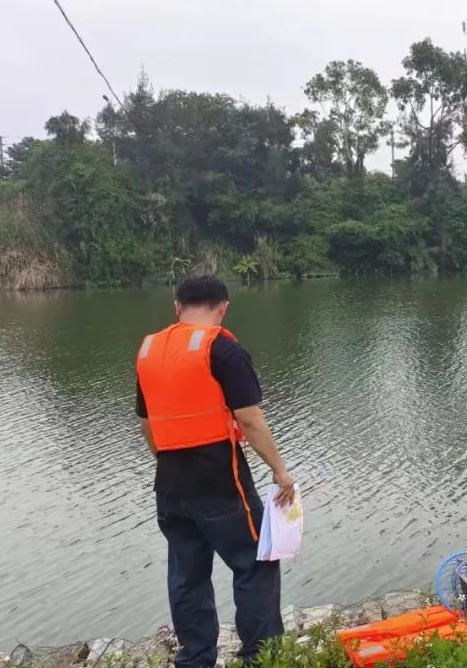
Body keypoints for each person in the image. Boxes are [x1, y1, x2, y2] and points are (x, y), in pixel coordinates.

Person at [136, 275, 296, 667]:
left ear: (177, 307)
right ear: (223, 307)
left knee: (187, 576)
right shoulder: (221, 347)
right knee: (255, 562)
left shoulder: (149, 349)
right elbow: (251, 419)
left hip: (170, 487)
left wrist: (167, 461)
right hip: (221, 482)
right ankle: (261, 658)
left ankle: (196, 658)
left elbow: (146, 424)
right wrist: (281, 472)